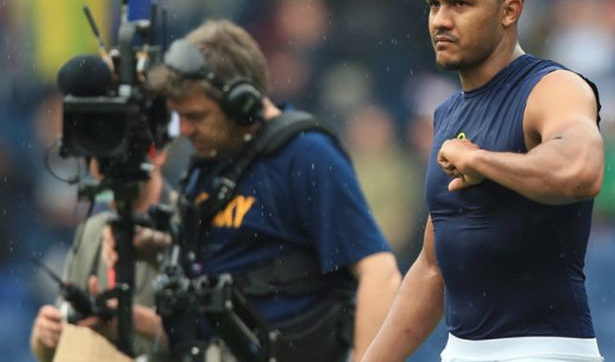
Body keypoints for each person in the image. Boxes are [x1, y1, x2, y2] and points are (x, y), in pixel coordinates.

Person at [360, 0, 605, 362]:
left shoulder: (553, 88)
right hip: (461, 352)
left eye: (460, 4)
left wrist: (482, 161)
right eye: (434, 5)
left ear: (509, 11)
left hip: (545, 351)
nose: (441, 20)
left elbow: (582, 170)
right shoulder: (448, 115)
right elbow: (433, 268)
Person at [104, 19, 401, 362]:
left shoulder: (305, 155)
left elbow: (380, 274)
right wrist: (157, 250)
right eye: (179, 117)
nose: (184, 130)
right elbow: (221, 272)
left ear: (239, 103)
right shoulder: (209, 164)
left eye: (196, 116)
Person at [30, 150, 172, 362]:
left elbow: (211, 342)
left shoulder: (189, 225)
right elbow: (57, 345)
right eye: (99, 158)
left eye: (122, 155)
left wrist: (133, 321)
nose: (108, 169)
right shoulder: (92, 232)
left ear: (157, 155)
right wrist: (45, 337)